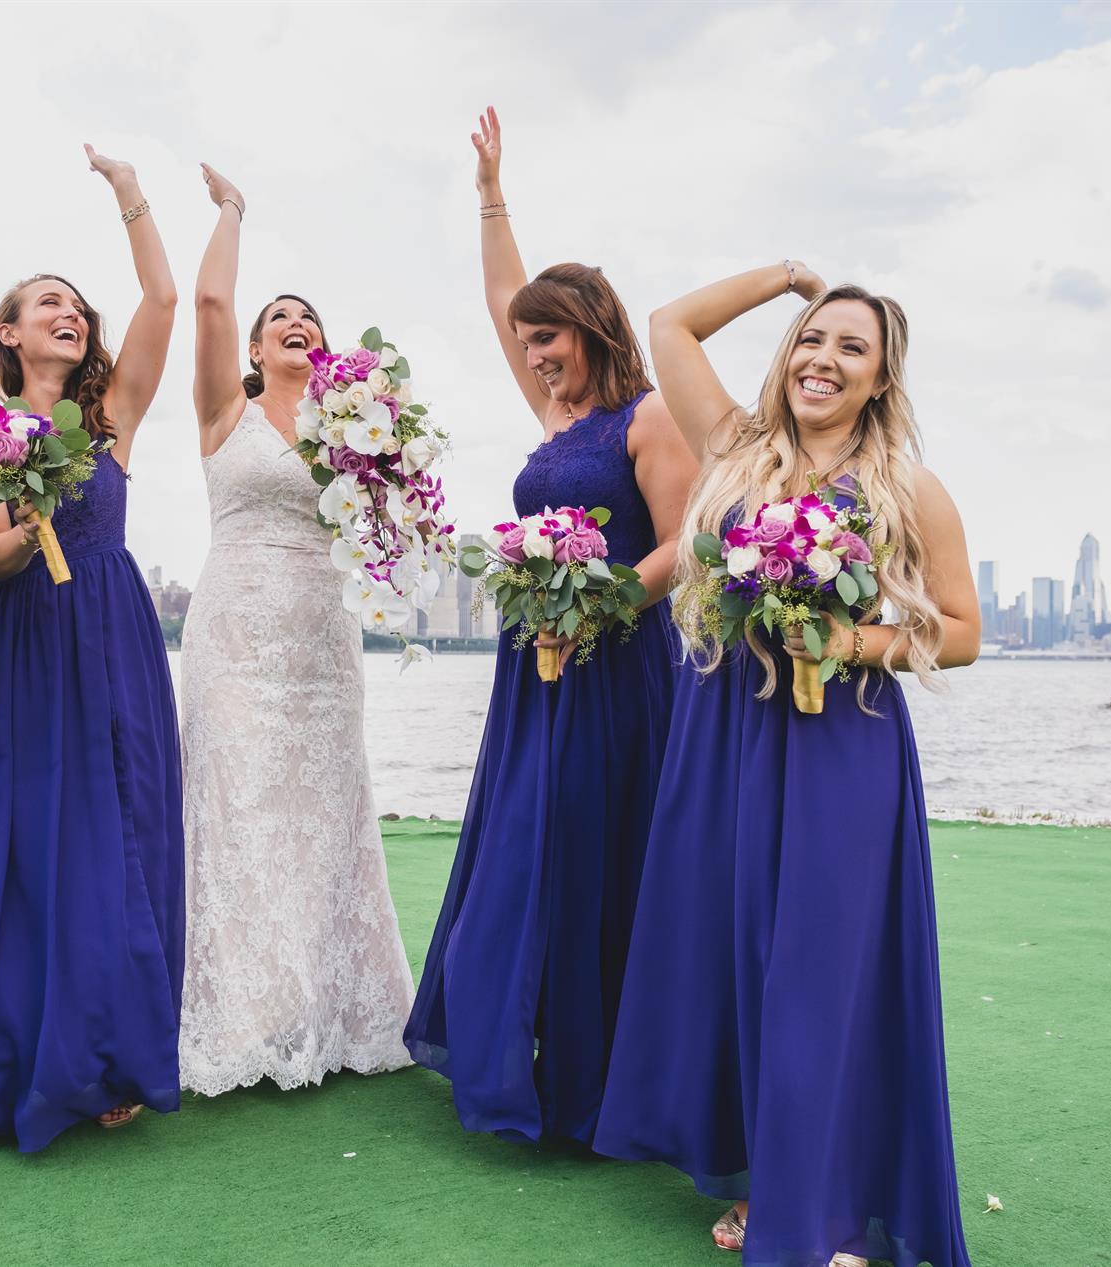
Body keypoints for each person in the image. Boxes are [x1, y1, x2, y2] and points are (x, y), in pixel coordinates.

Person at [594, 262, 979, 1267]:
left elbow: (962, 632)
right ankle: (762, 1176)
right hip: (723, 730)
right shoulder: (733, 447)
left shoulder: (907, 487)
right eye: (813, 339)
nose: (824, 359)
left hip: (841, 740)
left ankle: (824, 1205)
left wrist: (850, 641)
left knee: (818, 967)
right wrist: (788, 281)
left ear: (881, 378)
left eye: (853, 347)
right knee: (735, 954)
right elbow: (669, 324)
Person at [404, 107, 696, 1142]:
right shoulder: (554, 415)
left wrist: (597, 604)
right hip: (533, 669)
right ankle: (516, 1047)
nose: (531, 355)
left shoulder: (647, 417)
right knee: (524, 846)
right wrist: (491, 193)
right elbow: (501, 300)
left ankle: (597, 1077)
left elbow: (683, 545)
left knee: (597, 848)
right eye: (526, 344)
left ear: (592, 329)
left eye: (548, 338)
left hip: (618, 666)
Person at [0, 147, 183, 1148]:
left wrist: (129, 194)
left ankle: (112, 1052)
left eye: (76, 306)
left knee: (120, 831)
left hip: (112, 632)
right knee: (25, 840)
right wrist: (29, 503)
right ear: (10, 332)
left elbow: (162, 298)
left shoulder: (111, 418)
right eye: (46, 304)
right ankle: (18, 1054)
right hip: (24, 643)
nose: (67, 313)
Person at [175, 164, 415, 1098]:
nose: (297, 323)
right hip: (236, 637)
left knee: (323, 815)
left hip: (323, 640)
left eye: (309, 317)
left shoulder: (349, 431)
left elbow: (389, 526)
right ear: (255, 345)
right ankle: (241, 1019)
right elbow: (206, 302)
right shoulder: (224, 411)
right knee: (235, 810)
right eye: (280, 317)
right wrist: (233, 211)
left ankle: (332, 1008)